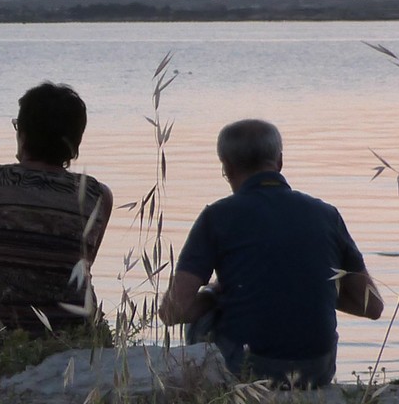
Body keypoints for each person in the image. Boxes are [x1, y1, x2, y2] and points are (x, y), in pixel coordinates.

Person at [158, 119, 382, 386]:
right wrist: (303, 283)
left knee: (202, 319)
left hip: (245, 368)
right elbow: (373, 306)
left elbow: (173, 311)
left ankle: (213, 391)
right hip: (316, 371)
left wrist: (214, 295)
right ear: (280, 162)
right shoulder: (326, 215)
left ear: (226, 167)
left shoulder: (216, 217)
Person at [0, 83, 113, 336]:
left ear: (24, 134)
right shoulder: (97, 196)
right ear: (75, 141)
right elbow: (84, 263)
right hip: (66, 334)